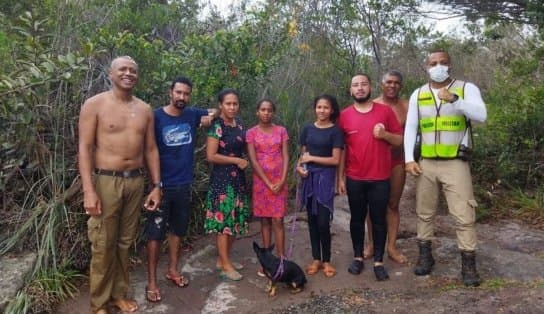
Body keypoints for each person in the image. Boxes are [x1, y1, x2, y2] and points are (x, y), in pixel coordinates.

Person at [78, 56, 161, 314]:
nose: (128, 74)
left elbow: (150, 148)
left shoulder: (145, 109)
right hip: (106, 181)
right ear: (111, 74)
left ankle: (118, 295)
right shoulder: (95, 105)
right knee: (103, 244)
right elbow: (84, 147)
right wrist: (89, 190)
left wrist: (157, 185)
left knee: (125, 243)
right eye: (122, 69)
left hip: (135, 182)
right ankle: (99, 304)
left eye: (133, 70)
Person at [404, 49, 487, 287]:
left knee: (463, 214)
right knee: (424, 212)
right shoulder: (418, 94)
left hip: (456, 163)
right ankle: (425, 256)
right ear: (426, 67)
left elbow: (481, 115)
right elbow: (411, 128)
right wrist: (409, 158)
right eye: (433, 63)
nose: (438, 66)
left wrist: (457, 101)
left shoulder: (465, 88)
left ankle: (469, 265)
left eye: (442, 62)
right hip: (426, 163)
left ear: (450, 65)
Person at [144, 76, 217, 302]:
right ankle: (152, 282)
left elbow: (214, 112)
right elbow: (148, 149)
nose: (182, 97)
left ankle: (173, 270)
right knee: (155, 234)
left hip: (184, 185)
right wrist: (155, 185)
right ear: (170, 92)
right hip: (161, 187)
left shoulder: (192, 114)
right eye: (178, 93)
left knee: (178, 230)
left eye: (186, 94)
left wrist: (211, 117)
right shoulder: (155, 117)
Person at [337, 74, 403, 281]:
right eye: (355, 85)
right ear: (350, 90)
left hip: (380, 177)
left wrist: (385, 135)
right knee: (356, 219)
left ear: (370, 87)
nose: (360, 88)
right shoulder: (344, 116)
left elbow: (399, 140)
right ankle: (357, 257)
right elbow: (341, 149)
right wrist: (340, 178)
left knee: (378, 219)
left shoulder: (385, 112)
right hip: (355, 177)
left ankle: (378, 261)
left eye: (363, 84)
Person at [363, 70, 409, 264]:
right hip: (375, 162)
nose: (392, 86)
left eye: (396, 83)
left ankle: (391, 246)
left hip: (397, 161)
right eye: (389, 82)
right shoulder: (372, 105)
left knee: (392, 205)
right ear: (381, 84)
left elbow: (414, 132)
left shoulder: (407, 106)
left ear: (401, 86)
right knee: (372, 207)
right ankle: (372, 244)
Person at [204, 88, 250, 281]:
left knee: (234, 220)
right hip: (223, 181)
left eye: (235, 103)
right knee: (223, 223)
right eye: (228, 104)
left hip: (237, 179)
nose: (232, 107)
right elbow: (211, 155)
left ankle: (223, 259)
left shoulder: (238, 124)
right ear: (221, 105)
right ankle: (225, 264)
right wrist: (235, 161)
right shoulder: (217, 126)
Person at [296, 94, 344, 278]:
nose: (322, 110)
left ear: (332, 110)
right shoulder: (307, 129)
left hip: (325, 178)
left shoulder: (336, 131)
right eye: (319, 107)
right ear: (314, 108)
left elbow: (335, 159)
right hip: (309, 179)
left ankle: (327, 260)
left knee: (324, 221)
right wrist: (300, 168)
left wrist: (312, 159)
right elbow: (302, 156)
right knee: (312, 221)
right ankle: (316, 258)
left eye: (326, 107)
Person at [246, 99, 289, 277]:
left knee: (278, 220)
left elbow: (286, 155)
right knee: (265, 221)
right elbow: (253, 160)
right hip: (261, 183)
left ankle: (281, 258)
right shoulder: (251, 133)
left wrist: (283, 179)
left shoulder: (281, 131)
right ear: (257, 112)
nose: (266, 113)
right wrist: (267, 182)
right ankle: (266, 259)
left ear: (273, 112)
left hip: (279, 181)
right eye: (263, 110)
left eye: (269, 110)